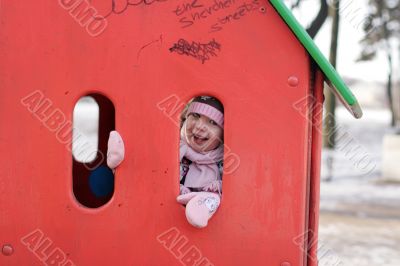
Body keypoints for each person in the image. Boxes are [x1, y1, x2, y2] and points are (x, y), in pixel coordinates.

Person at [177, 96, 224, 228]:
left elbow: (236, 187)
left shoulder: (224, 158)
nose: (200, 126)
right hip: (172, 216)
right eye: (196, 116)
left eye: (213, 122)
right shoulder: (176, 148)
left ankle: (200, 209)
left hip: (212, 227)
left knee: (213, 199)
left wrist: (218, 185)